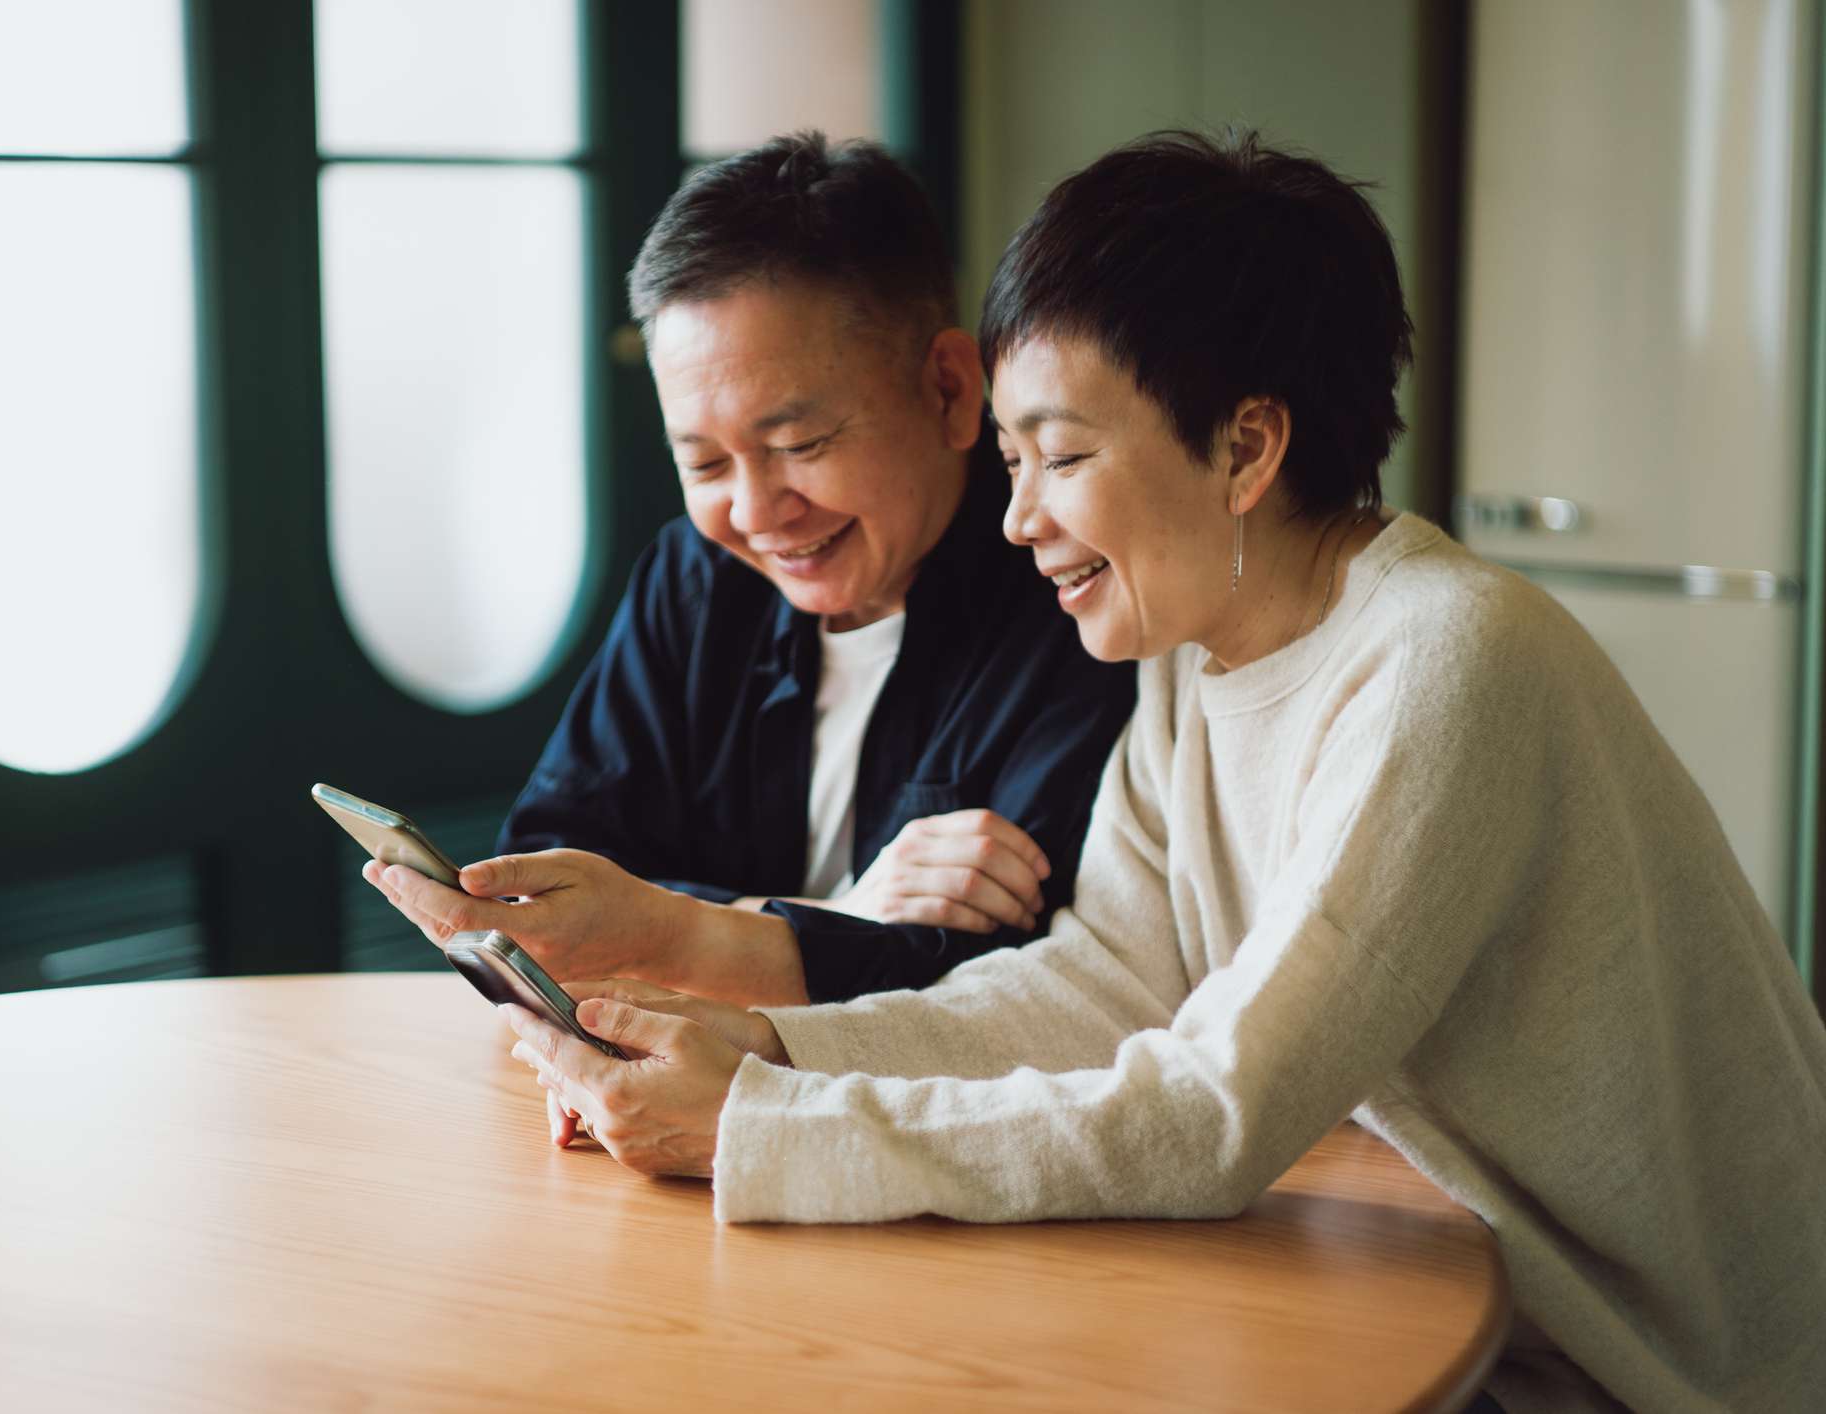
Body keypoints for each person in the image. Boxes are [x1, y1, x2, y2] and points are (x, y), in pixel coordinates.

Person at [408, 131, 1826, 1413]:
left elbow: (1216, 1112)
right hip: (1470, 1304)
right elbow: (1099, 987)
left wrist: (771, 1126)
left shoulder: (1447, 662)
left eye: (1062, 456)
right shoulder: (1196, 663)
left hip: (1662, 1368)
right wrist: (764, 1050)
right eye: (1013, 459)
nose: (1019, 520)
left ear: (1247, 446)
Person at [370, 133, 1136, 1006]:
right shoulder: (695, 580)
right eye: (703, 465)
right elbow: (543, 902)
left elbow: (1019, 987)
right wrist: (822, 917)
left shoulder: (1079, 597)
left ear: (952, 390)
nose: (756, 513)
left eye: (799, 444)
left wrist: (678, 933)